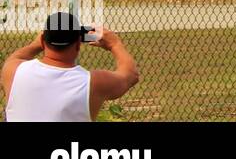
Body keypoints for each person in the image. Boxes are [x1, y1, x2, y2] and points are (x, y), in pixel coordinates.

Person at [1, 12, 140, 122]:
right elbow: (131, 75)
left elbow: (15, 57)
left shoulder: (13, 71)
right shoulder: (94, 83)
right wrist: (115, 45)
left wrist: (36, 44)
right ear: (79, 44)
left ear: (43, 41)